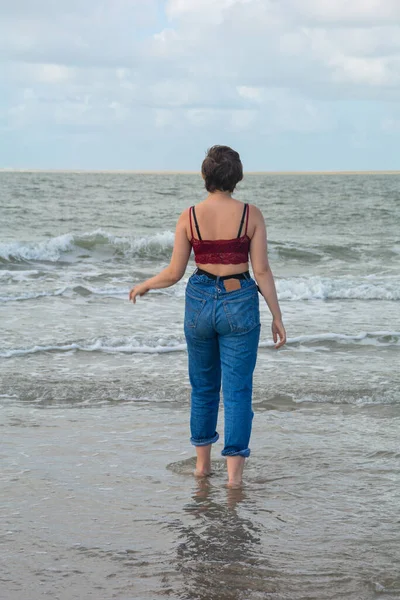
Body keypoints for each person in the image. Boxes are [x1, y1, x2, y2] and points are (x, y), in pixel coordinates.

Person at [129, 145, 286, 487]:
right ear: (237, 177)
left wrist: (146, 285)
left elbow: (174, 273)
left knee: (203, 389)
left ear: (205, 175)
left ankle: (202, 468)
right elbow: (261, 270)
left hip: (199, 299)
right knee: (238, 391)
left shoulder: (189, 216)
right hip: (239, 299)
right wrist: (277, 315)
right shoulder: (251, 215)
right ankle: (233, 479)